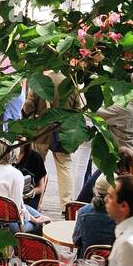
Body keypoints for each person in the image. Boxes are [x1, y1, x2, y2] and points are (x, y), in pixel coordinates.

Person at [22, 72, 81, 212]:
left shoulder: (40, 81)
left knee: (36, 167)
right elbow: (77, 109)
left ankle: (34, 201)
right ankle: (66, 205)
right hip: (62, 133)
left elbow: (28, 106)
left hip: (41, 132)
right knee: (65, 168)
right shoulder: (71, 81)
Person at [72, 174, 117, 253]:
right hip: (111, 261)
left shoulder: (83, 212)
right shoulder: (120, 216)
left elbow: (76, 241)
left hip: (87, 261)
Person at [15, 140, 48, 209]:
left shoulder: (35, 158)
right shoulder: (8, 157)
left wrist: (28, 194)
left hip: (27, 201)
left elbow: (41, 188)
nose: (17, 142)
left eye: (20, 138)